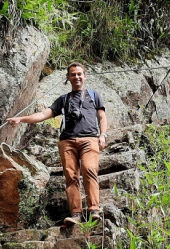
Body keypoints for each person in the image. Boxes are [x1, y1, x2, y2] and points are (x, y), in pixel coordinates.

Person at [6, 62, 108, 225]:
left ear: (85, 76)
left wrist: (103, 135)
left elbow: (102, 117)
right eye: (73, 74)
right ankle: (76, 213)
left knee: (89, 169)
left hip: (90, 139)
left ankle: (94, 209)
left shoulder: (94, 95)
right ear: (68, 78)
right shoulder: (63, 99)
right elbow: (42, 115)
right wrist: (21, 119)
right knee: (71, 176)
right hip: (67, 141)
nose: (77, 77)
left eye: (79, 74)